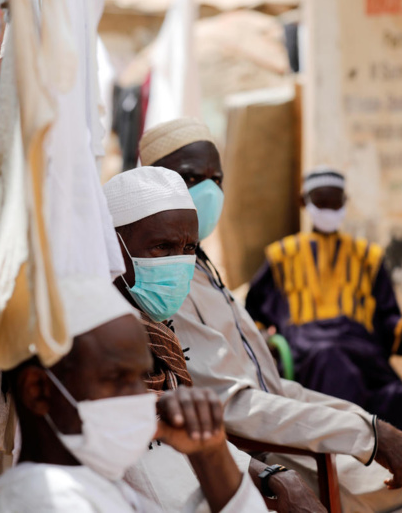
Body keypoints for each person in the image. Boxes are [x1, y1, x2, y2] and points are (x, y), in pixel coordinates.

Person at [139, 117, 402, 512]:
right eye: (190, 177)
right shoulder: (180, 280)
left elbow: (278, 382)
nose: (207, 190)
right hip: (285, 447)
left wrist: (367, 423)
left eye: (215, 178)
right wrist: (364, 433)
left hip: (333, 396)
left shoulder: (363, 256)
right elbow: (237, 402)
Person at [104, 166, 326, 512]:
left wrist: (270, 474)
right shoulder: (92, 341)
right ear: (111, 247)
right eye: (161, 247)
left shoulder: (160, 335)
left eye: (188, 247)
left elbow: (194, 440)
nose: (178, 262)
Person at [0, 274, 267, 512]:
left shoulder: (97, 484)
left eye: (141, 376)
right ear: (37, 391)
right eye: (118, 378)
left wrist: (209, 453)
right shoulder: (50, 501)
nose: (143, 396)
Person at [245, 165, 402, 434]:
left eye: (335, 202)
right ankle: (351, 450)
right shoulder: (282, 256)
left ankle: (389, 458)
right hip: (307, 350)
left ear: (345, 203)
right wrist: (264, 338)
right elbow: (252, 312)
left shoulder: (368, 257)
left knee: (398, 394)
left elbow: (388, 314)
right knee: (331, 359)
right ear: (303, 202)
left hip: (363, 349)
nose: (328, 209)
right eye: (321, 202)